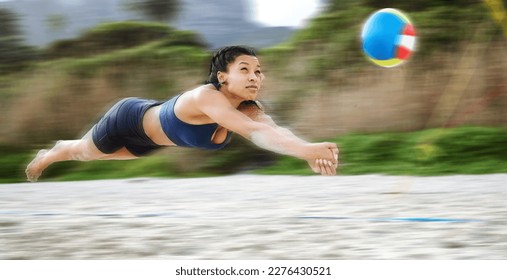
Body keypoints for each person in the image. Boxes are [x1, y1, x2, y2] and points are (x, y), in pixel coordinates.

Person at [25, 46, 338, 182]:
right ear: (223, 77)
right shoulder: (206, 97)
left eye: (259, 71)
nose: (256, 77)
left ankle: (60, 150)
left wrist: (305, 151)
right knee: (83, 153)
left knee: (95, 157)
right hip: (126, 120)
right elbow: (252, 132)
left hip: (151, 143)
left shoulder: (249, 108)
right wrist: (305, 150)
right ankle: (50, 154)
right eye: (245, 70)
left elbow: (272, 131)